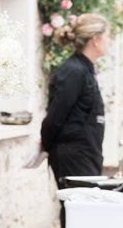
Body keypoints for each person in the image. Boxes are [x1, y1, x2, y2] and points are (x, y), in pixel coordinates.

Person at [40, 13, 109, 227]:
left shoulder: (85, 69)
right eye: (108, 36)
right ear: (95, 39)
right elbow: (55, 116)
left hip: (85, 153)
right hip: (74, 155)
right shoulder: (73, 71)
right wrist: (46, 145)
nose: (110, 41)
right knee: (77, 210)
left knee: (84, 212)